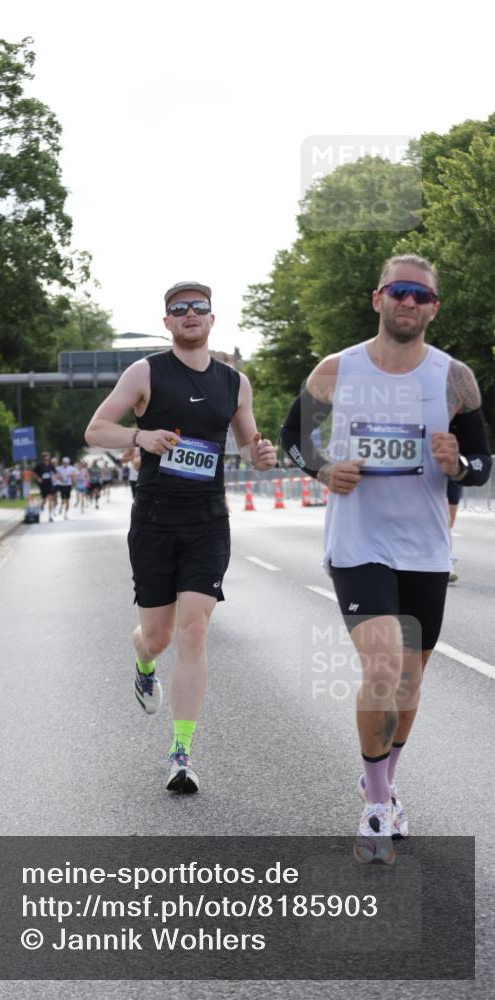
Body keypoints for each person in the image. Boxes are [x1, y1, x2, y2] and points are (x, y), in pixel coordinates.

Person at [280, 254, 492, 862]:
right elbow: (295, 438)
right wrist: (323, 468)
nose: (409, 303)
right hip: (358, 545)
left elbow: (479, 464)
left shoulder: (455, 379)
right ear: (378, 299)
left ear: (433, 308)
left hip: (425, 549)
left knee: (410, 680)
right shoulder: (335, 370)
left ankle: (385, 780)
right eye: (399, 291)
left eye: (421, 296)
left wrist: (458, 464)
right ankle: (376, 805)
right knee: (383, 668)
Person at [85, 280, 276, 793]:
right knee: (159, 636)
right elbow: (95, 430)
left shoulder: (234, 382)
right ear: (167, 321)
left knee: (193, 630)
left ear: (213, 319)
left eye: (199, 308)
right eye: (179, 309)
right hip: (153, 520)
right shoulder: (145, 372)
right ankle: (144, 661)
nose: (190, 314)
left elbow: (246, 441)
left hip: (207, 522)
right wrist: (139, 435)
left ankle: (182, 752)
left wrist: (260, 455)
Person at [446, 480, 462, 584]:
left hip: (451, 479)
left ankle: (446, 562)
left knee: (448, 524)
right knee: (444, 523)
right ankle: (447, 566)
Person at [34, 451, 56, 522]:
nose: (46, 461)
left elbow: (55, 473)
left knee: (50, 499)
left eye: (48, 459)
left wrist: (56, 478)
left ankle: (50, 516)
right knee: (44, 499)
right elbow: (34, 473)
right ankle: (41, 506)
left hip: (49, 484)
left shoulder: (51, 466)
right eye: (45, 459)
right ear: (43, 459)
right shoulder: (39, 466)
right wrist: (38, 478)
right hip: (43, 484)